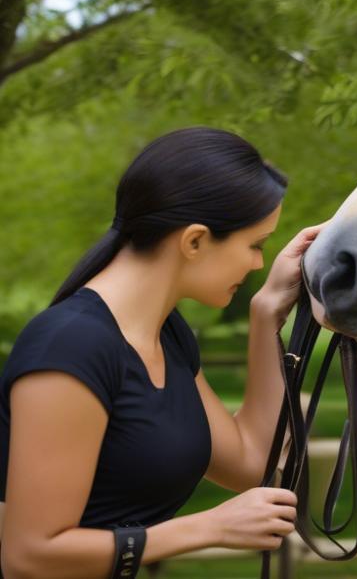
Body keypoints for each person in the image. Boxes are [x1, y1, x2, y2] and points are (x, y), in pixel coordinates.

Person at [0, 127, 322, 578]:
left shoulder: (164, 334)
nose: (256, 264)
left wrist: (268, 313)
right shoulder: (71, 348)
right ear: (194, 241)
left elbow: (250, 463)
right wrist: (208, 527)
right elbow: (30, 555)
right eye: (254, 245)